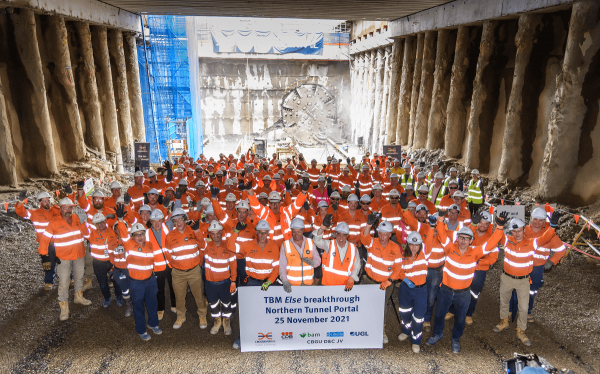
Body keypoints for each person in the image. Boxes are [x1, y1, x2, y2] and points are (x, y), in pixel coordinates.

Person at [426, 211, 507, 353]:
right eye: (461, 238)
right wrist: (440, 218)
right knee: (438, 315)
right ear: (457, 239)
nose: (463, 241)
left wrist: (499, 227)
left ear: (471, 241)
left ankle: (455, 339)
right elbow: (441, 232)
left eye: (467, 238)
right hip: (445, 290)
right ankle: (437, 334)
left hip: (463, 294)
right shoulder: (450, 248)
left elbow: (490, 244)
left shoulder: (475, 253)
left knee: (460, 319)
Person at [493, 211, 561, 346]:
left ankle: (521, 330)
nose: (517, 234)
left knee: (523, 308)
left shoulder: (532, 243)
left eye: (519, 231)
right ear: (511, 232)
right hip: (507, 278)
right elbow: (496, 237)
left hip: (523, 280)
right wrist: (499, 226)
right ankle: (504, 321)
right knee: (504, 302)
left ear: (524, 230)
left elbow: (546, 237)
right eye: (514, 231)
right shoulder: (508, 241)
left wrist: (552, 225)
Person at [229, 219, 280, 349]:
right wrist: (236, 231)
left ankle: (269, 337)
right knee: (248, 312)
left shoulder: (274, 246)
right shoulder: (248, 245)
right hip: (252, 283)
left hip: (268, 284)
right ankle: (242, 337)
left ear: (268, 233)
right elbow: (229, 247)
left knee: (269, 312)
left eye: (265, 233)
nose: (262, 236)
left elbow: (276, 268)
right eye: (260, 232)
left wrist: (269, 282)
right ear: (256, 232)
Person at [38, 197, 92, 321]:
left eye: (70, 207)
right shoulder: (54, 222)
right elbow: (45, 240)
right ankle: (64, 306)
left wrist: (84, 223)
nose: (68, 209)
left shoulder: (78, 219)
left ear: (73, 208)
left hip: (79, 254)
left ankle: (78, 296)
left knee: (79, 277)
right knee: (64, 281)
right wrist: (45, 256)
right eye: (65, 207)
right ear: (60, 209)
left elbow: (87, 235)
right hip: (63, 257)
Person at [509, 207, 566, 323]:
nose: (537, 222)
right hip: (521, 265)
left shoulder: (549, 235)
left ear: (544, 220)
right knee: (515, 289)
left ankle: (526, 312)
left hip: (537, 268)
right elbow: (511, 243)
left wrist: (551, 261)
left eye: (541, 220)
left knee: (531, 291)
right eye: (535, 219)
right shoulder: (522, 231)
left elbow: (561, 249)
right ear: (531, 218)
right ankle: (510, 311)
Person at [164, 208, 207, 330]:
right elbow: (167, 253)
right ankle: (181, 316)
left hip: (194, 270)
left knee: (199, 295)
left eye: (181, 219)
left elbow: (203, 246)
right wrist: (175, 267)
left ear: (185, 219)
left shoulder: (193, 230)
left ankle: (202, 315)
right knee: (179, 296)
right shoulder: (170, 236)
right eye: (175, 220)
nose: (178, 223)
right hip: (178, 273)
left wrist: (197, 230)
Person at [359, 218, 401, 344]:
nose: (382, 236)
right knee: (366, 305)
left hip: (385, 284)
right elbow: (364, 238)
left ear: (390, 234)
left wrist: (390, 281)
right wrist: (368, 224)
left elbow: (398, 268)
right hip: (369, 281)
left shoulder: (395, 248)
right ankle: (363, 329)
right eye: (380, 233)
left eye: (385, 234)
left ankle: (380, 330)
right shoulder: (372, 242)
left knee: (381, 308)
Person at [118, 221, 162, 340]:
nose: (140, 237)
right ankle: (141, 330)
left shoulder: (149, 245)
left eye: (142, 234)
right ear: (132, 236)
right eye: (136, 235)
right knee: (138, 307)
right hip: (136, 283)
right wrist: (121, 220)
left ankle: (153, 324)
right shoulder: (128, 244)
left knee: (153, 304)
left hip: (150, 280)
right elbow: (122, 234)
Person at [15, 190, 61, 290]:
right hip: (45, 244)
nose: (47, 203)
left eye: (48, 200)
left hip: (59, 242)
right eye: (44, 201)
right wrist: (20, 201)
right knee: (48, 263)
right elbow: (21, 212)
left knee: (64, 261)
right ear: (39, 203)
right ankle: (49, 282)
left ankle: (69, 279)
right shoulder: (34, 213)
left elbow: (68, 209)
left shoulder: (56, 210)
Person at [397, 232, 432, 353]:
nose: (413, 247)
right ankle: (406, 331)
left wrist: (432, 227)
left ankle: (416, 340)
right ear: (407, 244)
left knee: (418, 317)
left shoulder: (425, 254)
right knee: (404, 312)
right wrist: (404, 279)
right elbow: (400, 270)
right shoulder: (403, 256)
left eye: (416, 245)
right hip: (406, 289)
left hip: (420, 290)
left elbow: (430, 240)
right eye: (411, 244)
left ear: (420, 245)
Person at [202, 220, 237, 335]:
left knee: (226, 303)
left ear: (222, 232)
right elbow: (199, 240)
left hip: (225, 282)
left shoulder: (228, 246)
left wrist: (233, 281)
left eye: (218, 233)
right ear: (210, 234)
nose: (216, 236)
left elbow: (233, 265)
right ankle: (217, 321)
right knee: (213, 304)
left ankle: (226, 322)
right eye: (213, 233)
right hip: (210, 283)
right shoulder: (206, 246)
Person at [87, 212, 123, 308]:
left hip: (112, 261)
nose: (100, 225)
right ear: (94, 224)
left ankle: (119, 297)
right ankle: (107, 298)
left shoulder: (112, 232)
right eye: (97, 223)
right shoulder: (91, 234)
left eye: (102, 222)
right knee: (103, 283)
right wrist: (83, 222)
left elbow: (120, 241)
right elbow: (83, 230)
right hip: (98, 263)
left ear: (105, 221)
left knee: (117, 281)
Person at [280, 218, 322, 291]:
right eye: (294, 232)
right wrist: (285, 281)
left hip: (308, 285)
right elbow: (282, 266)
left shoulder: (310, 242)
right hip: (292, 286)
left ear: (303, 230)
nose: (296, 235)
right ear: (291, 231)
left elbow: (318, 260)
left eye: (299, 232)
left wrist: (313, 263)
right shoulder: (285, 245)